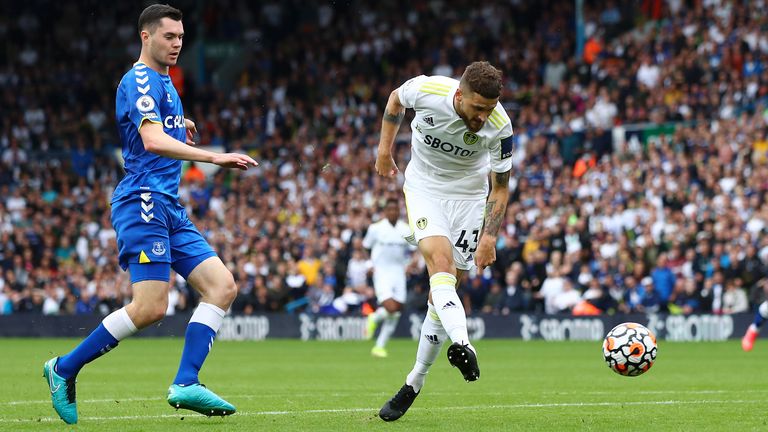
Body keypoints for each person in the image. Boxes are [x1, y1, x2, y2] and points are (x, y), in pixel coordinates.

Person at [43, 5, 257, 424]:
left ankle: (186, 382)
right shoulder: (140, 77)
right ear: (146, 36)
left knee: (222, 286)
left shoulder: (163, 82)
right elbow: (153, 140)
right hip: (143, 201)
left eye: (180, 37)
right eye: (169, 37)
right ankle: (63, 368)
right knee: (150, 307)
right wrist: (214, 156)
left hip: (168, 205)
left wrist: (182, 122)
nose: (177, 44)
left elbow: (159, 126)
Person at [374, 61, 513, 421]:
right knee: (440, 264)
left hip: (468, 198)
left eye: (490, 109)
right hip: (424, 188)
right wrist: (383, 150)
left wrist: (489, 237)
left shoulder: (500, 127)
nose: (484, 116)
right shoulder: (427, 89)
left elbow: (500, 187)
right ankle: (463, 343)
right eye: (478, 108)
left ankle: (414, 382)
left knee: (442, 293)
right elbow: (394, 101)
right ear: (459, 95)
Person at [363, 197, 414, 358]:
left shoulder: (405, 229)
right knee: (391, 308)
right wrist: (369, 265)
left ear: (399, 211)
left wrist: (409, 265)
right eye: (389, 209)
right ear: (385, 212)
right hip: (382, 272)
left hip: (398, 272)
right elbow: (365, 248)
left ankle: (379, 346)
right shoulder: (375, 228)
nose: (393, 212)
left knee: (397, 310)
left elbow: (413, 249)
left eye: (395, 209)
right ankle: (374, 317)